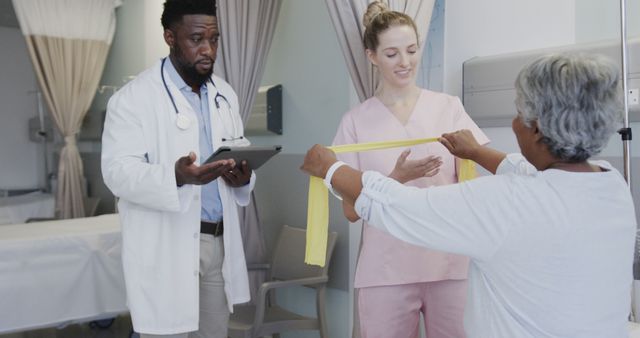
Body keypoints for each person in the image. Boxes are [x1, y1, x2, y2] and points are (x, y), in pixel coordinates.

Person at [302, 53, 636, 337]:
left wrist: (330, 168)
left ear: (536, 129)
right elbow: (525, 170)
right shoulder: (612, 185)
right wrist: (476, 152)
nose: (514, 123)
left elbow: (400, 206)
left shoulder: (507, 203)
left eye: (520, 114)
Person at [332, 2, 488, 337]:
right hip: (386, 270)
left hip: (448, 262)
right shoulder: (356, 122)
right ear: (372, 56)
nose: (405, 62)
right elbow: (350, 211)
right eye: (391, 54)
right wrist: (395, 180)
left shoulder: (449, 109)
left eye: (411, 50)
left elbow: (473, 187)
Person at [101, 0, 255, 337]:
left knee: (215, 332)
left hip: (218, 242)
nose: (208, 50)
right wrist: (175, 176)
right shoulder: (133, 98)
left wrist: (243, 177)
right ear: (170, 37)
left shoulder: (224, 94)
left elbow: (239, 150)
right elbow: (117, 172)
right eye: (196, 39)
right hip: (166, 243)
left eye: (214, 39)